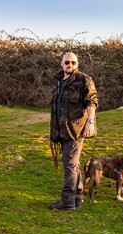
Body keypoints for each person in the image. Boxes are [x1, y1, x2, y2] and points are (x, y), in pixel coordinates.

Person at [49, 52, 98, 210]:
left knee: (69, 163)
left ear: (77, 64)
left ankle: (68, 201)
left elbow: (92, 101)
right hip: (60, 130)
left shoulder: (84, 80)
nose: (70, 65)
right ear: (61, 63)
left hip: (75, 129)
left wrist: (90, 122)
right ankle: (77, 198)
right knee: (74, 163)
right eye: (67, 62)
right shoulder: (57, 81)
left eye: (73, 63)